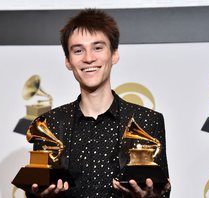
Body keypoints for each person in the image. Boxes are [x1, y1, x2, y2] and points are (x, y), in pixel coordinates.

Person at [26, 8, 171, 197]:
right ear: (68, 61)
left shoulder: (148, 120)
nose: (88, 58)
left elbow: (162, 190)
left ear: (114, 54)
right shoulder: (48, 124)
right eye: (78, 50)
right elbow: (35, 191)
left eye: (97, 47)